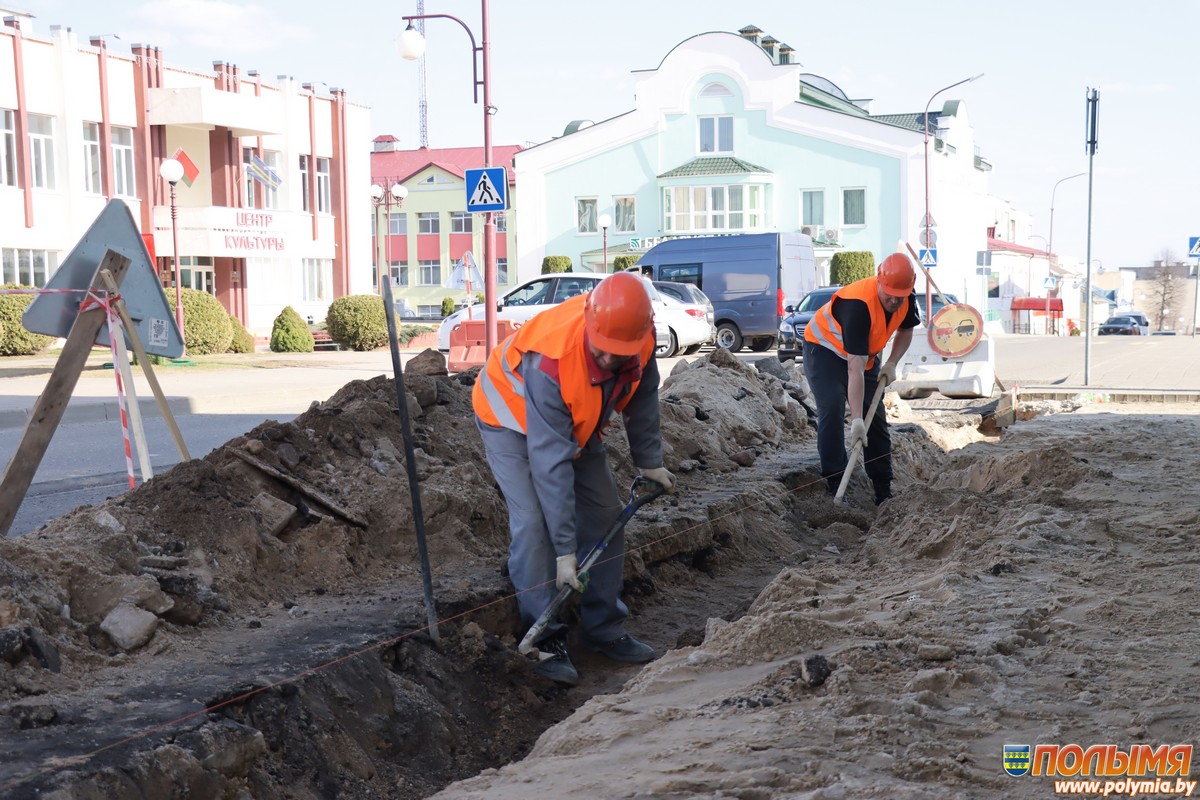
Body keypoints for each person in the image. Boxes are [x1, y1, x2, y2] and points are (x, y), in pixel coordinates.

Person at [472, 271, 676, 686]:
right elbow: (551, 464)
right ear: (590, 322)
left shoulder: (639, 337)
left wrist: (649, 462)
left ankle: (604, 629)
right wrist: (565, 552)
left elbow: (643, 395)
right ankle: (543, 638)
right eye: (602, 349)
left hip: (575, 422)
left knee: (605, 514)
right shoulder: (551, 360)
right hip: (509, 418)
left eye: (618, 353)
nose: (608, 359)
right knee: (534, 525)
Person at [802, 252, 920, 505]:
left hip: (865, 355)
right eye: (889, 293)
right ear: (879, 281)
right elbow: (854, 369)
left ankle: (883, 488)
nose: (894, 300)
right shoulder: (857, 305)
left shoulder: (906, 296)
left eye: (899, 296)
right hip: (824, 350)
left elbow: (906, 329)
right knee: (833, 407)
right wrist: (856, 420)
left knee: (875, 416)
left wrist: (891, 362)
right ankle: (836, 481)